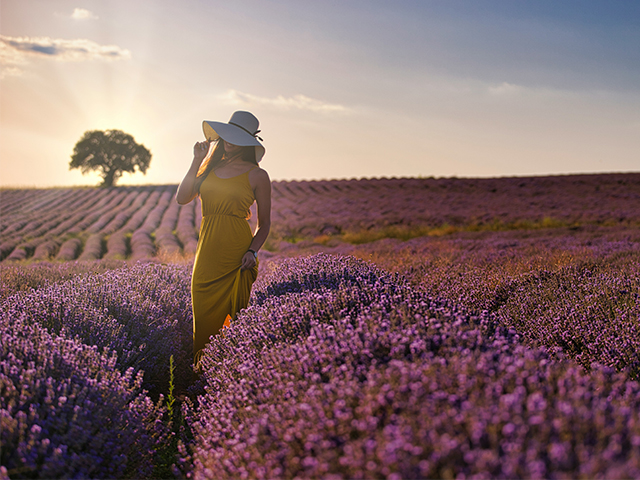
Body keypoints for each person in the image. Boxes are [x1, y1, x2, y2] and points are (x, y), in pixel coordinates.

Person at [176, 111, 271, 369]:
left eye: (236, 138)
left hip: (237, 256)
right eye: (227, 136)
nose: (228, 142)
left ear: (248, 143)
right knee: (203, 324)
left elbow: (264, 225)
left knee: (236, 322)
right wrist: (197, 160)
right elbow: (182, 197)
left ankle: (231, 377)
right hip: (206, 257)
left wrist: (252, 251)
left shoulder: (258, 175)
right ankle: (202, 380)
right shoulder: (210, 168)